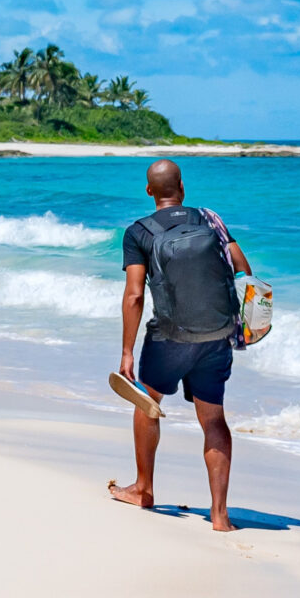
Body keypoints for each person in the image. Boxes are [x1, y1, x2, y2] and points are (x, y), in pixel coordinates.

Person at [107, 158, 250, 531]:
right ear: (182, 187)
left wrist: (126, 351)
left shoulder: (138, 232)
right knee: (214, 420)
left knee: (147, 403)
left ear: (149, 191)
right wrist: (243, 325)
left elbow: (135, 296)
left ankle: (143, 489)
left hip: (169, 339)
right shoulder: (209, 219)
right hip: (216, 337)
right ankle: (220, 515)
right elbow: (243, 270)